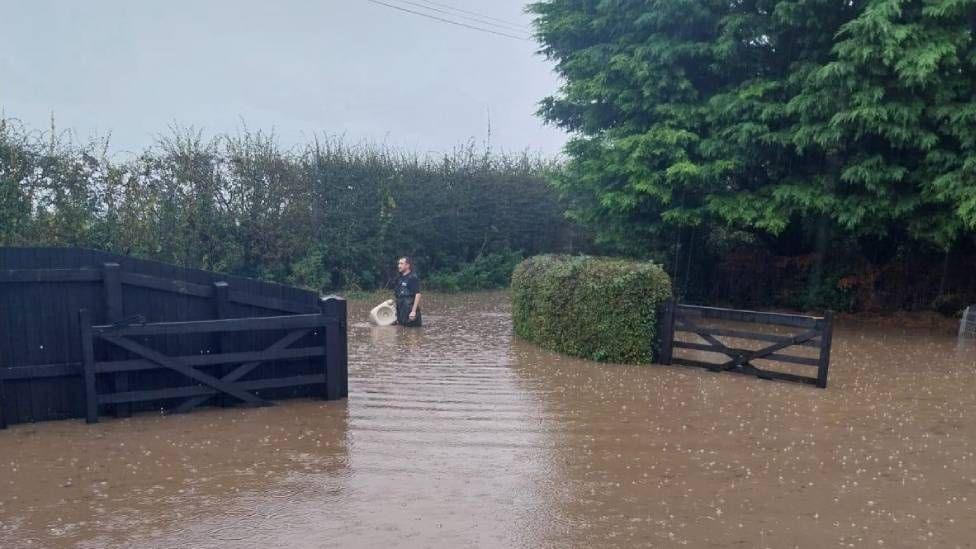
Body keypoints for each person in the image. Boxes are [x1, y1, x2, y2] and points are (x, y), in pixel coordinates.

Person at [393, 256, 422, 327]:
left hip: (409, 308)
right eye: (398, 264)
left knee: (412, 333)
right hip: (400, 308)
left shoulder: (412, 278)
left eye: (401, 263)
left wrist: (413, 311)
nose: (399, 266)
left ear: (408, 265)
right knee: (400, 330)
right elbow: (398, 294)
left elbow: (418, 294)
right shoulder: (398, 278)